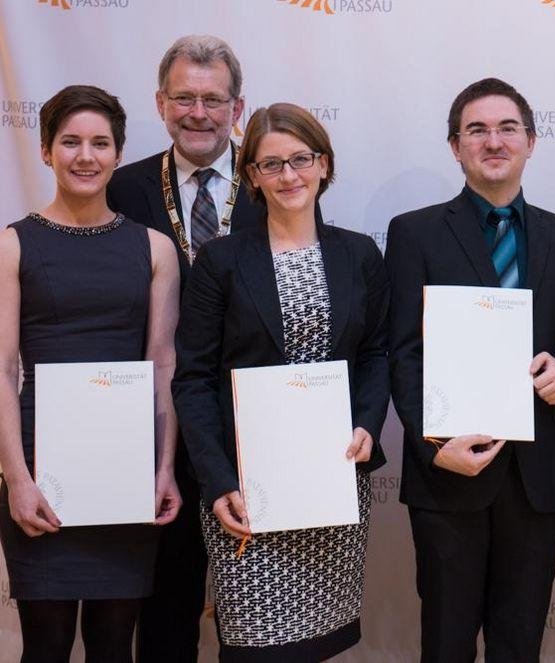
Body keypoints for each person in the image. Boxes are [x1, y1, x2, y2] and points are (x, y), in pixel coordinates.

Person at [385, 77, 555, 663]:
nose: (493, 141)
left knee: (519, 645)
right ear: (455, 146)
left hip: (537, 478)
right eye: (476, 130)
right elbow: (401, 352)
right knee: (446, 645)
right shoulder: (414, 233)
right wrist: (432, 446)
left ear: (531, 141)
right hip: (447, 473)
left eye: (508, 128)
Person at [172, 102, 389, 661]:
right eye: (271, 164)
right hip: (246, 491)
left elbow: (375, 355)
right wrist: (218, 482)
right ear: (251, 177)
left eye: (300, 159)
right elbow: (193, 379)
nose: (288, 175)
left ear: (323, 165)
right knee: (255, 646)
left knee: (321, 644)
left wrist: (367, 423)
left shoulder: (359, 254)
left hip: (332, 480)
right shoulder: (220, 261)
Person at [0, 85, 181, 662]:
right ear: (47, 151)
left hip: (124, 468)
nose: (86, 155)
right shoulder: (13, 244)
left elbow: (163, 365)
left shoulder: (155, 248)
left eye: (100, 143)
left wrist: (165, 468)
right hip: (40, 465)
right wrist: (17, 478)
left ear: (119, 153)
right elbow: (3, 368)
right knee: (45, 645)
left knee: (113, 645)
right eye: (70, 141)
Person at [106, 35, 261, 661]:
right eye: (184, 98)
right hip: (158, 430)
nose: (198, 112)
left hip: (254, 429)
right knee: (165, 611)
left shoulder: (274, 180)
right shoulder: (123, 188)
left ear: (237, 107)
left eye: (213, 100)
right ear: (160, 103)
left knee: (255, 618)